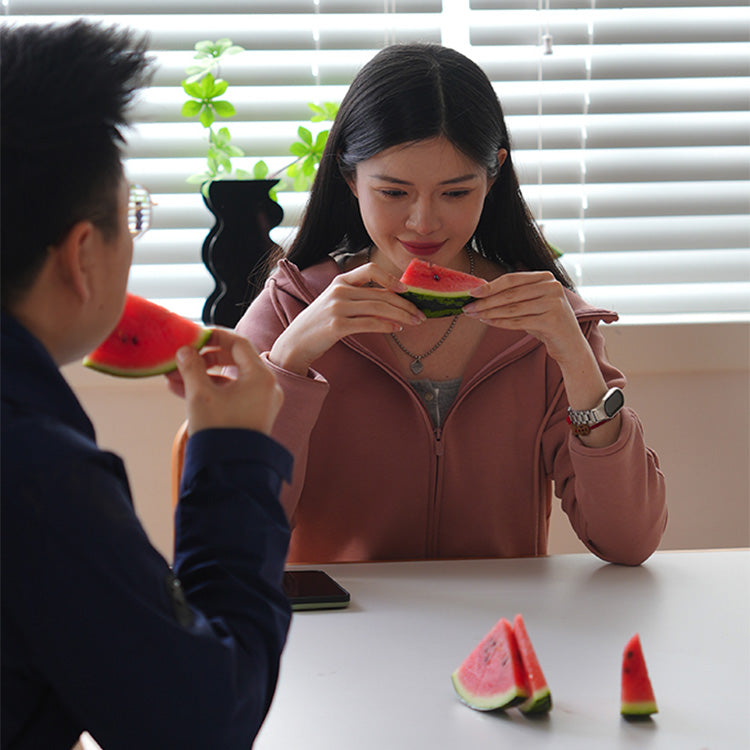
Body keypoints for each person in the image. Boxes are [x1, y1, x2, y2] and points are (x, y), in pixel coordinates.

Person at [234, 42, 667, 566]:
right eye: (394, 193)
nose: (424, 222)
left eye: (456, 193)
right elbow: (234, 532)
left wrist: (576, 361)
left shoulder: (546, 320)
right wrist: (288, 361)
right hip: (339, 631)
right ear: (351, 178)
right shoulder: (289, 305)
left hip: (494, 630)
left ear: (493, 176)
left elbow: (629, 541)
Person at [1, 20, 292, 749]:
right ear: (81, 254)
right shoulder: (41, 478)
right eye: (133, 216)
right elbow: (203, 723)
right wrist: (231, 456)